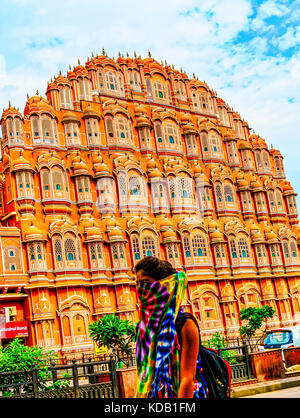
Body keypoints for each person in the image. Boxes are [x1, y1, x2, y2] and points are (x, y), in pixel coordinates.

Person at [134, 256, 208, 398]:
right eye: (137, 284)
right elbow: (143, 375)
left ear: (165, 285)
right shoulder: (144, 328)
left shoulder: (184, 323)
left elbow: (187, 378)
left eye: (145, 283)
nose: (140, 289)